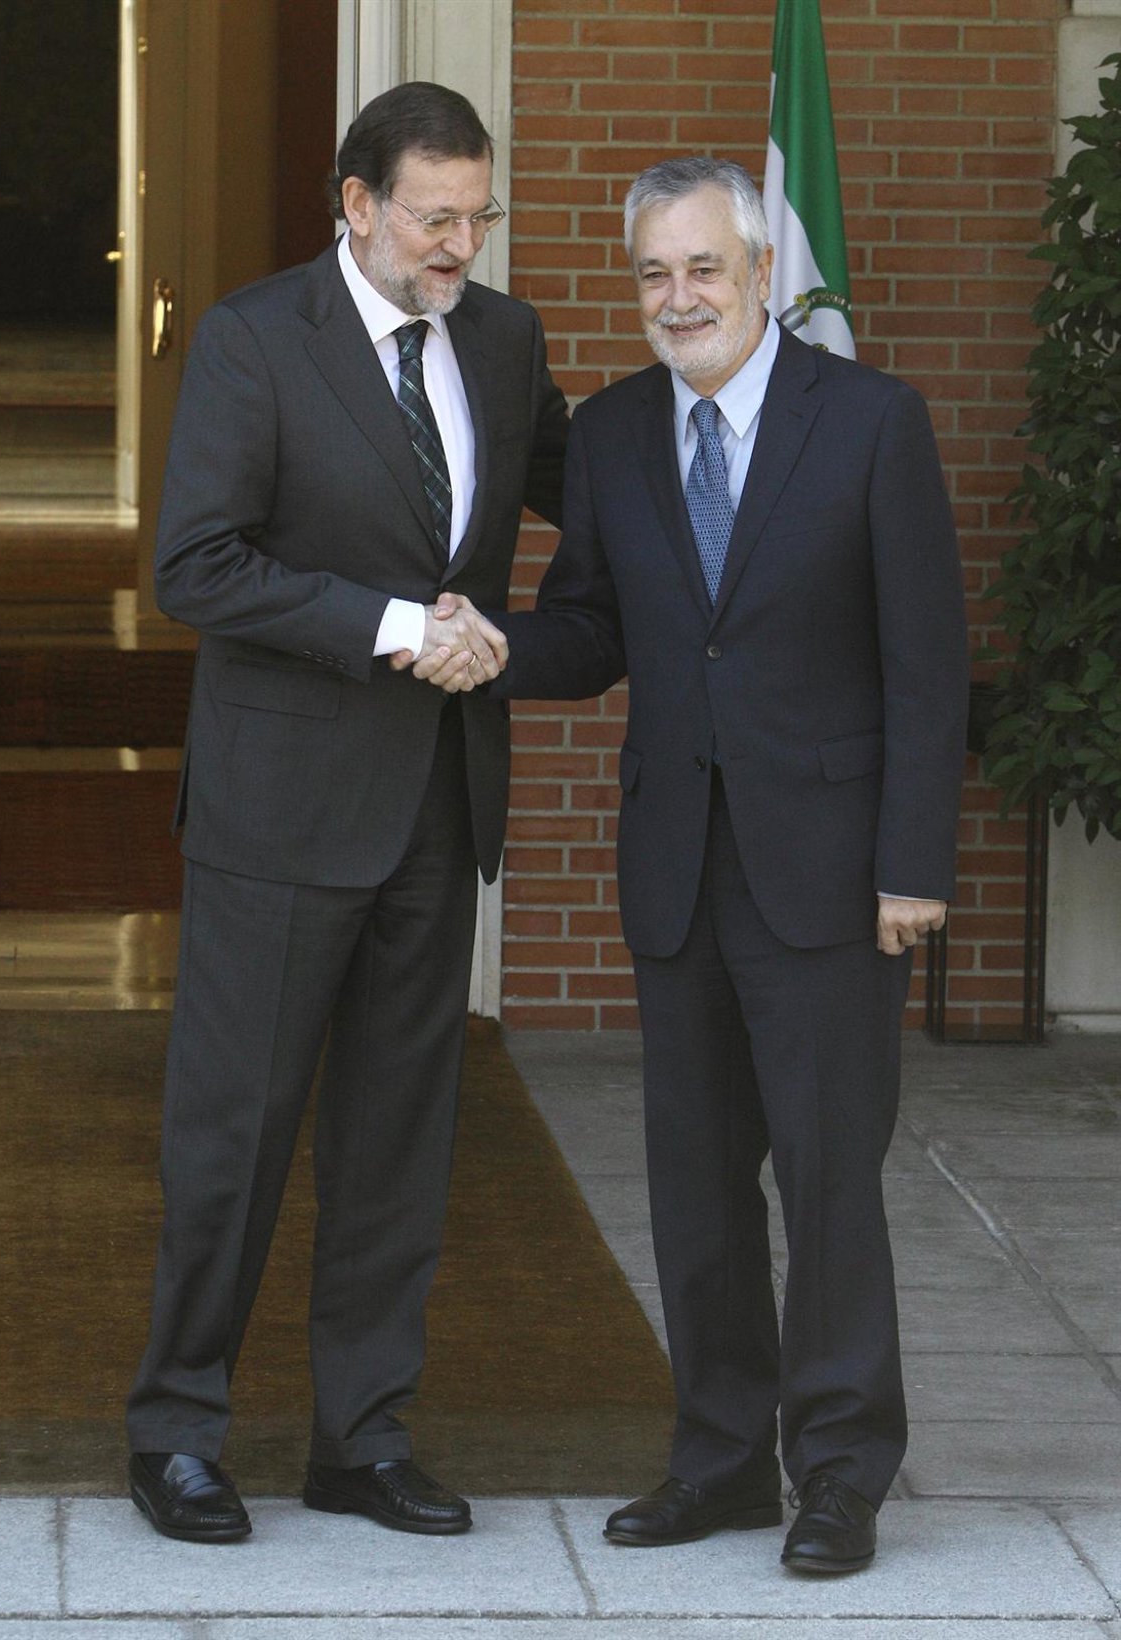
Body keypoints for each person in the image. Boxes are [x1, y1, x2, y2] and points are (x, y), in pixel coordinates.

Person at [414, 155, 968, 1574]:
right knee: (699, 1186)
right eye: (654, 274)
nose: (679, 298)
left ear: (762, 272)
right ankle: (720, 1464)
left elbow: (928, 662)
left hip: (832, 876)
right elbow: (593, 625)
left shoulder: (873, 422)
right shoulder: (610, 435)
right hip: (677, 866)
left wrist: (913, 865)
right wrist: (485, 647)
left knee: (830, 1183)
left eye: (704, 268)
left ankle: (838, 1472)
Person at [126, 80, 568, 1545]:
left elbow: (589, 488)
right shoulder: (257, 339)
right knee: (233, 1139)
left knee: (397, 1144)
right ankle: (176, 1430)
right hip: (279, 812)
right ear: (358, 204)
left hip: (438, 805)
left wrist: (743, 402)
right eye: (436, 219)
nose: (460, 247)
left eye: (478, 218)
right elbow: (195, 564)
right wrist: (392, 625)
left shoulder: (503, 341)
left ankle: (361, 1442)